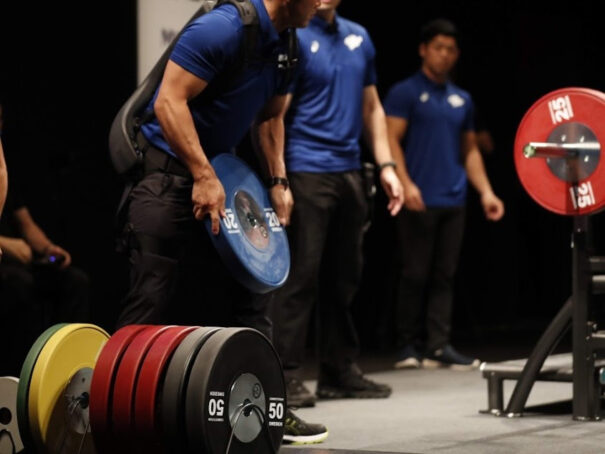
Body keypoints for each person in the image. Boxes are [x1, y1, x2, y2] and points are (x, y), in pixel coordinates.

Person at [114, 0, 328, 444]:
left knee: (254, 295)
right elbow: (169, 102)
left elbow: (271, 117)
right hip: (166, 176)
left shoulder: (291, 47)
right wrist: (202, 173)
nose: (324, 2)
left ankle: (266, 409)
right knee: (151, 299)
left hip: (221, 180)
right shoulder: (222, 29)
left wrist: (278, 180)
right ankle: (118, 417)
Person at [258, 0, 404, 408]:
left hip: (351, 171)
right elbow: (275, 114)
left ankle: (338, 371)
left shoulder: (360, 37)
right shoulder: (295, 35)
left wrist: (387, 165)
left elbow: (372, 107)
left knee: (345, 278)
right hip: (307, 169)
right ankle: (284, 374)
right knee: (300, 277)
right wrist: (279, 179)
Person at [384, 19, 504, 370]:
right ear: (424, 50)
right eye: (438, 47)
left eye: (451, 49)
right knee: (414, 273)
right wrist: (405, 183)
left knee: (444, 275)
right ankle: (407, 345)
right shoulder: (405, 92)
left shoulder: (461, 99)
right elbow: (390, 139)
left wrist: (487, 193)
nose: (444, 55)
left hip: (453, 198)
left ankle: (438, 345)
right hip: (418, 197)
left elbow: (470, 150)